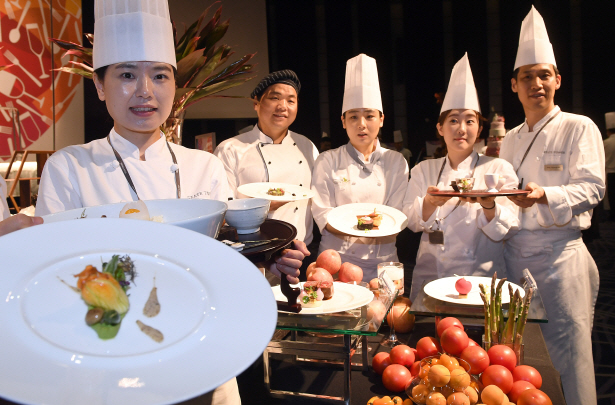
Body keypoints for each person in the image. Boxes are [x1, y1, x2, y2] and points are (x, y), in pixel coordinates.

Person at [34, 1, 306, 403]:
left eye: (159, 75)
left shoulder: (205, 167)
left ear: (175, 85)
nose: (145, 90)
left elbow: (226, 265)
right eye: (126, 74)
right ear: (99, 86)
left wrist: (270, 261)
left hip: (204, 358)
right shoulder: (70, 167)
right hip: (108, 367)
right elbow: (53, 276)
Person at [499, 7, 604, 405]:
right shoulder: (507, 140)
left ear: (557, 80)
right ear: (514, 85)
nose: (536, 84)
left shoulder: (579, 126)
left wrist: (547, 195)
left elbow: (593, 187)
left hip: (561, 258)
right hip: (514, 258)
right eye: (527, 77)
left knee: (571, 355)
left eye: (544, 75)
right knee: (521, 355)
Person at [402, 53, 519, 301]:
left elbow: (510, 227)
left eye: (469, 121)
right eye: (453, 120)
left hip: (481, 277)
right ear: (440, 128)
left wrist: (489, 206)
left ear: (479, 129)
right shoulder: (423, 170)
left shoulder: (499, 169)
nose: (461, 129)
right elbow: (411, 222)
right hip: (432, 277)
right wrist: (429, 203)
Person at [311, 54, 408, 282]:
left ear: (381, 119)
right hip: (336, 261)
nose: (362, 124)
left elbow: (396, 213)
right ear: (343, 121)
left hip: (383, 261)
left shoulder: (396, 162)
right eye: (353, 116)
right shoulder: (327, 160)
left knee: (388, 316)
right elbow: (323, 214)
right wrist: (367, 224)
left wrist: (355, 223)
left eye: (369, 116)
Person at [214, 70, 318, 246]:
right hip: (253, 250)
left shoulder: (307, 146)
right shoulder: (230, 149)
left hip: (300, 249)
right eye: (275, 98)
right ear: (256, 103)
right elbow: (222, 210)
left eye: (291, 100)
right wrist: (262, 208)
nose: (283, 106)